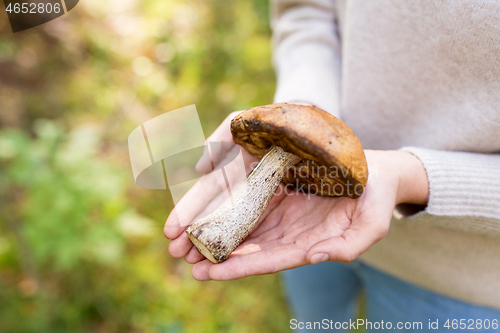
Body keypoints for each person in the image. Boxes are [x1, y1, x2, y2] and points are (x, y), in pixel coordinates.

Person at [165, 0, 500, 331]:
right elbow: (307, 10)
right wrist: (304, 107)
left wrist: (408, 176)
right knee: (314, 322)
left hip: (456, 282)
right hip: (307, 215)